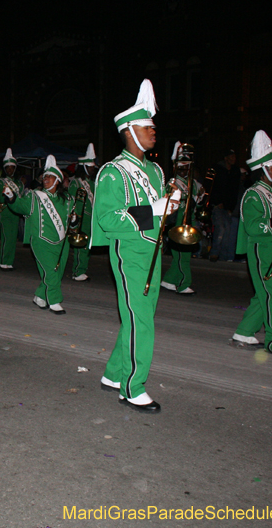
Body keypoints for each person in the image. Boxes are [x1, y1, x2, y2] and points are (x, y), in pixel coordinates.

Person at [90, 79, 179, 413]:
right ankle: (132, 386)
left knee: (138, 317)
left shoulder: (155, 170)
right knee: (141, 320)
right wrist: (153, 210)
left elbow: (160, 215)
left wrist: (172, 203)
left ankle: (114, 373)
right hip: (129, 253)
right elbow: (108, 220)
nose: (153, 131)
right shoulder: (112, 173)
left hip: (153, 253)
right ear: (129, 131)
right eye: (147, 126)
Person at [230, 130, 272, 357]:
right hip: (261, 249)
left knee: (265, 294)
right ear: (264, 170)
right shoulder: (253, 195)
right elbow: (253, 226)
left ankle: (244, 332)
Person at [4, 155, 75, 313]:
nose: (46, 179)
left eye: (50, 177)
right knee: (50, 271)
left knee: (56, 272)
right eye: (44, 176)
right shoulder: (35, 196)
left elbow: (72, 222)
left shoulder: (68, 199)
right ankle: (55, 301)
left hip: (62, 243)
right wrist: (11, 197)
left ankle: (40, 296)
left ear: (57, 180)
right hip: (41, 240)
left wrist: (75, 221)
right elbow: (20, 206)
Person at [161, 142, 203, 295]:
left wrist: (199, 202)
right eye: (181, 166)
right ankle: (183, 283)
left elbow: (199, 204)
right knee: (182, 256)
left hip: (190, 222)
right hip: (177, 223)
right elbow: (168, 203)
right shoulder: (173, 183)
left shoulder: (193, 183)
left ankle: (169, 280)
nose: (184, 170)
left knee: (181, 256)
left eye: (187, 166)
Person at [68, 143, 97, 281]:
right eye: (90, 167)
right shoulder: (76, 183)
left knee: (87, 247)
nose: (92, 170)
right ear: (84, 167)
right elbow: (73, 202)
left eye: (93, 167)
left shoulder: (92, 184)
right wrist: (75, 219)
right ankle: (77, 271)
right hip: (80, 218)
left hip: (90, 218)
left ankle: (82, 269)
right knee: (81, 245)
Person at [209, 149, 241, 262]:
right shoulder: (217, 169)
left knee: (228, 230)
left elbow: (234, 190)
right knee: (221, 228)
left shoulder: (235, 171)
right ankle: (214, 253)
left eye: (234, 157)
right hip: (217, 205)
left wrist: (231, 206)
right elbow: (213, 187)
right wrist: (217, 202)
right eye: (230, 156)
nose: (233, 159)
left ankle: (223, 257)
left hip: (228, 206)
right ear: (226, 158)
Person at [0, 148, 24, 271]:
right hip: (5, 211)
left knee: (13, 237)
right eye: (8, 168)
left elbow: (20, 197)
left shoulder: (19, 183)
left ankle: (9, 261)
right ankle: (3, 261)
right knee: (6, 237)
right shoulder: (1, 181)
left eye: (12, 167)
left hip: (15, 212)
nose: (10, 170)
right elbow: (2, 198)